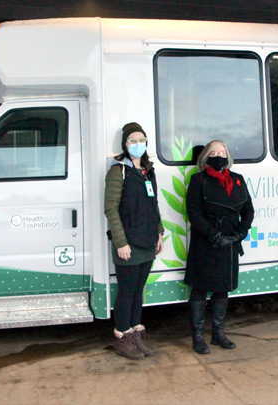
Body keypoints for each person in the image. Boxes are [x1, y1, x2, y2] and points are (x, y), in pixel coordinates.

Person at [185, 140, 254, 354]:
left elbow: (249, 211)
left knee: (222, 288)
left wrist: (239, 234)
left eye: (222, 151)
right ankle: (197, 337)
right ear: (206, 156)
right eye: (214, 152)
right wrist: (214, 235)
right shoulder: (198, 180)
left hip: (230, 242)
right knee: (199, 288)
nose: (219, 155)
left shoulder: (238, 180)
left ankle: (218, 333)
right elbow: (194, 214)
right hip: (206, 242)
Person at [104, 122, 164, 360]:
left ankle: (136, 337)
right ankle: (123, 337)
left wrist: (159, 233)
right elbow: (110, 208)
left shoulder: (148, 171)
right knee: (127, 291)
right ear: (125, 145)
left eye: (142, 140)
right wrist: (121, 243)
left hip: (147, 241)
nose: (138, 144)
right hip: (127, 244)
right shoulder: (117, 171)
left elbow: (153, 205)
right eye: (132, 141)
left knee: (139, 291)